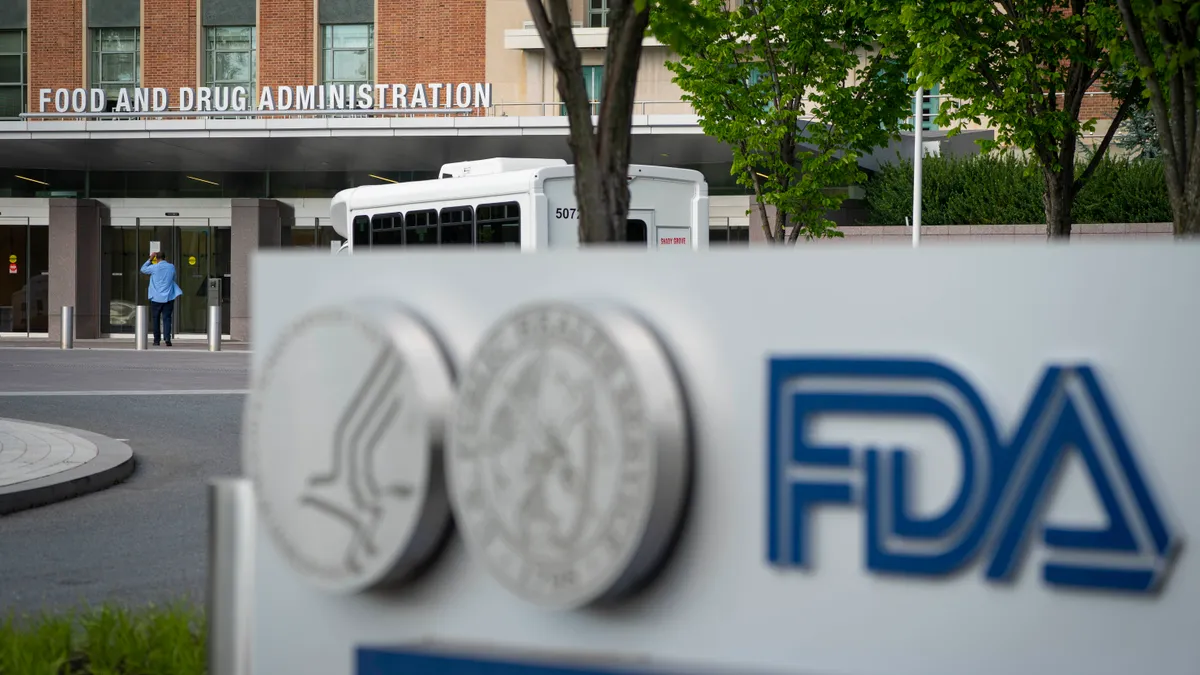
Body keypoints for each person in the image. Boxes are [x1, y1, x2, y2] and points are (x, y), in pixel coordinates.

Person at [140, 250, 183, 347]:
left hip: (156, 297)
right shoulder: (171, 267)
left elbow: (143, 269)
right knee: (167, 318)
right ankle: (167, 339)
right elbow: (174, 277)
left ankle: (156, 340)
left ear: (156, 258)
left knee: (156, 319)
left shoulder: (154, 267)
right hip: (168, 297)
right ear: (165, 257)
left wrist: (150, 259)